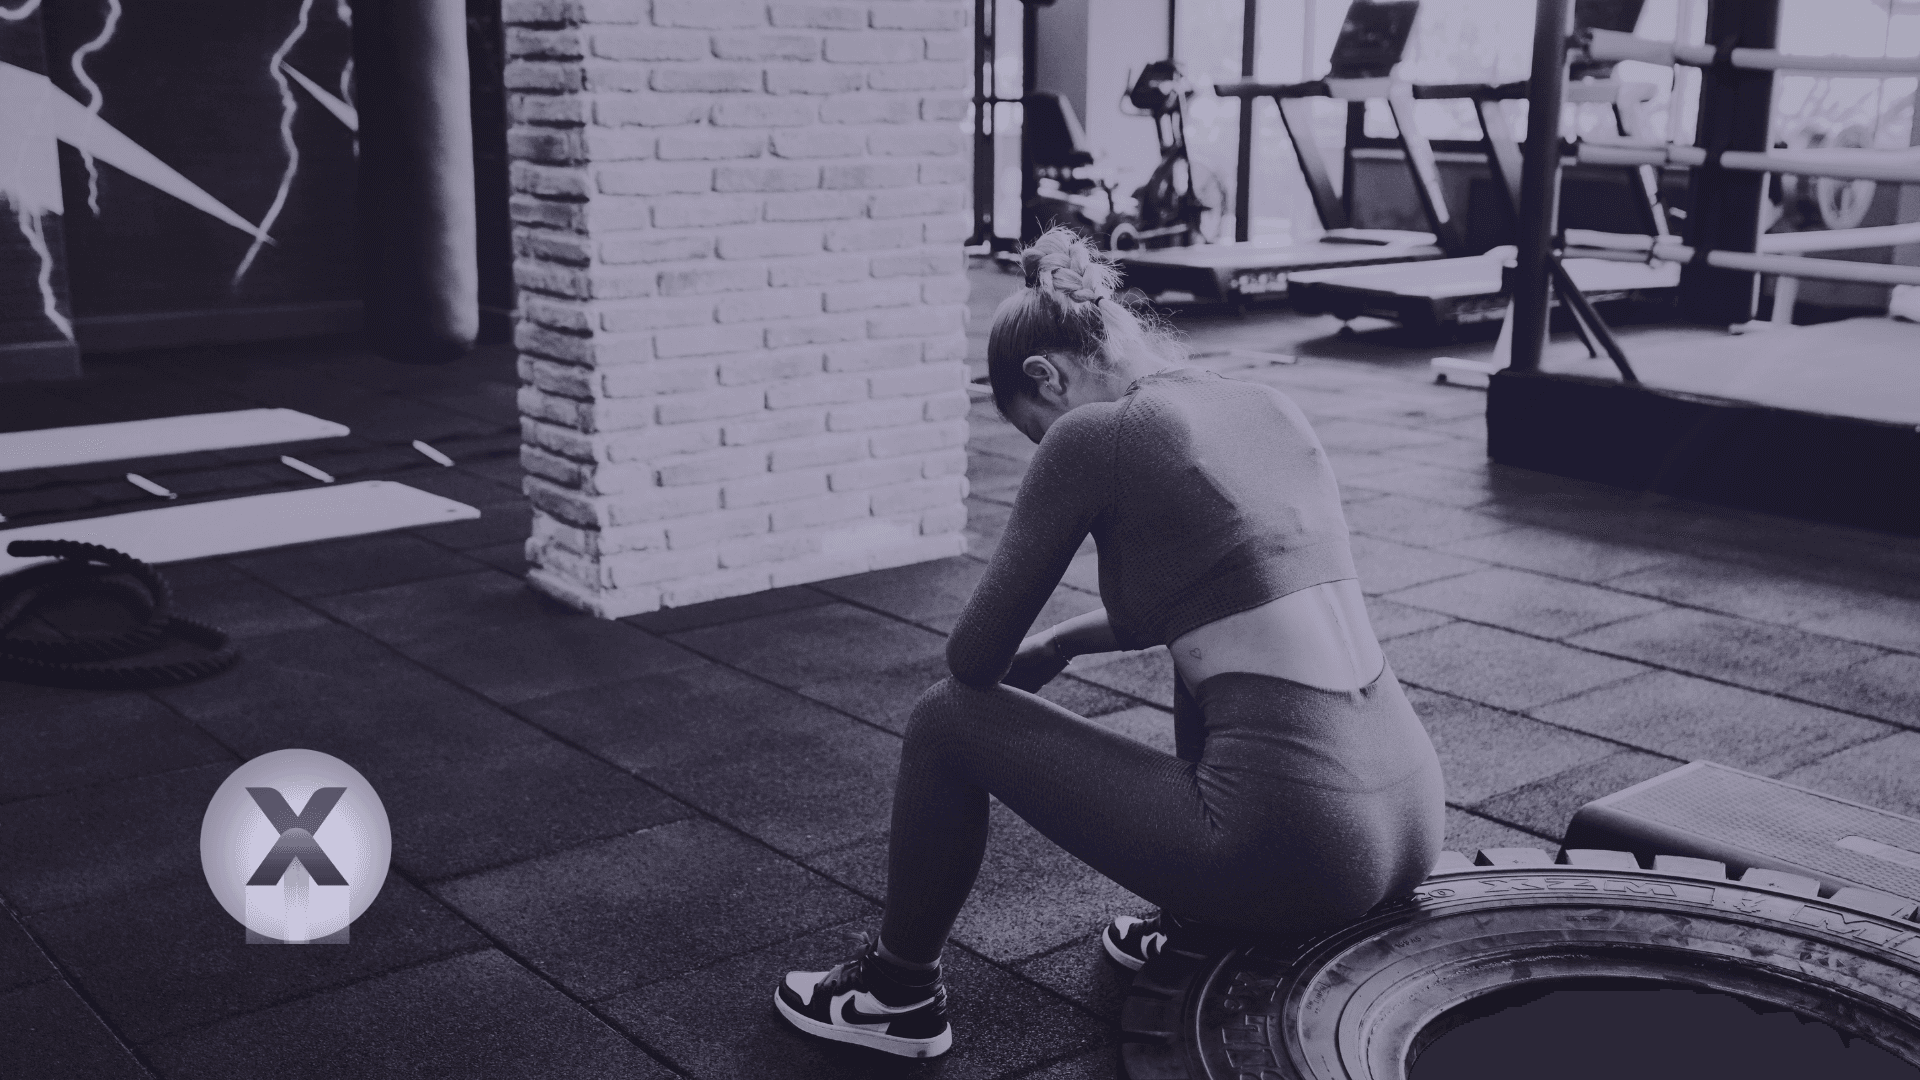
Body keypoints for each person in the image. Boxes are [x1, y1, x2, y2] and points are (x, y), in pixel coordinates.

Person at [773, 228, 1446, 1059]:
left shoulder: (1096, 436)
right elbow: (1220, 594)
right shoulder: (1263, 404)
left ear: (1046, 377)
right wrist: (1062, 643)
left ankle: (895, 994)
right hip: (1414, 811)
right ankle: (1201, 920)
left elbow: (972, 662)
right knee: (1207, 665)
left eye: (1037, 430)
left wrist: (1023, 639)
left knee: (945, 721)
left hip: (1298, 840)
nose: (1044, 446)